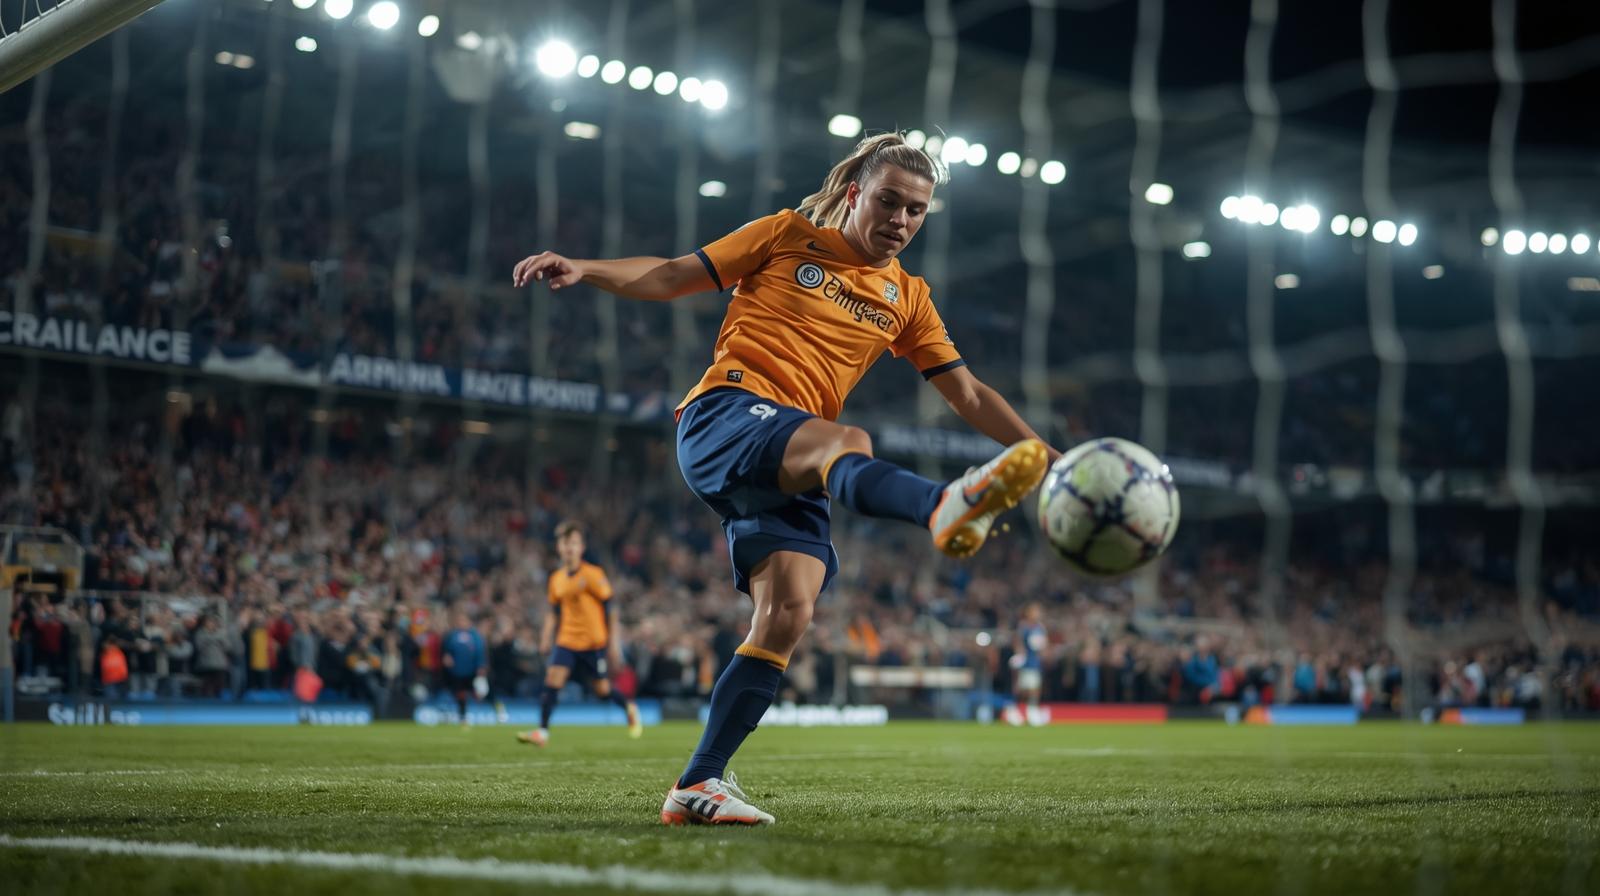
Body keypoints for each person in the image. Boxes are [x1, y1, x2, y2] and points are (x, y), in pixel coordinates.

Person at [512, 131, 1059, 826]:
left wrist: (1046, 455)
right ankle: (941, 506)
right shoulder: (786, 235)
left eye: (916, 211)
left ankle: (696, 785)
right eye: (889, 201)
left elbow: (969, 394)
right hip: (725, 415)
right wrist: (585, 268)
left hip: (788, 455)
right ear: (856, 193)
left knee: (787, 614)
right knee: (848, 440)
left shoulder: (908, 298)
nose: (900, 220)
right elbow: (675, 275)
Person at [516, 521, 644, 747]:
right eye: (565, 543)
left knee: (603, 691)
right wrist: (546, 636)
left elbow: (611, 609)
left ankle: (629, 707)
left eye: (573, 543)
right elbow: (553, 612)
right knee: (552, 681)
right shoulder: (556, 579)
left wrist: (614, 643)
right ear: (559, 547)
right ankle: (542, 732)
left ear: (581, 547)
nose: (569, 548)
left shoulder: (593, 575)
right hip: (567, 640)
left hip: (593, 643)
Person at [442, 609, 488, 729]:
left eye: (463, 620)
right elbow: (447, 649)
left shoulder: (475, 636)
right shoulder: (453, 635)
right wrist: (447, 656)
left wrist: (481, 666)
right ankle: (463, 717)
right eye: (459, 620)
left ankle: (489, 712)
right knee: (460, 694)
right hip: (457, 671)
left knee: (479, 692)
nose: (461, 622)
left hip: (471, 671)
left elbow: (480, 652)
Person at [1010, 603, 1047, 723]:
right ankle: (1015, 710)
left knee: (1035, 688)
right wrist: (1019, 656)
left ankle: (1032, 711)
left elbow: (1043, 645)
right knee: (1023, 689)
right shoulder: (1024, 626)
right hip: (1025, 661)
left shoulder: (1040, 627)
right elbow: (1018, 643)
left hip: (1035, 661)